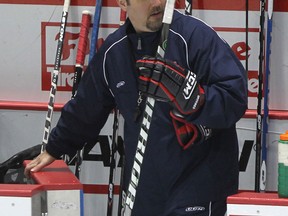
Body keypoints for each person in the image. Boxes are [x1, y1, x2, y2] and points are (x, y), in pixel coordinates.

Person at [25, 0, 248, 215]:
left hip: (198, 192)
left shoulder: (194, 37)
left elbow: (234, 98)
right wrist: (56, 147)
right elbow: (86, 108)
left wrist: (193, 98)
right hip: (145, 193)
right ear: (123, 3)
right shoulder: (115, 52)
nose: (157, 3)